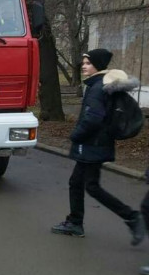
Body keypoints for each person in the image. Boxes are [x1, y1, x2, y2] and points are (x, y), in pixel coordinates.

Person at [51, 48, 146, 245]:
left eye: (88, 63)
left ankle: (132, 217)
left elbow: (93, 119)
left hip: (92, 145)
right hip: (94, 145)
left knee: (92, 187)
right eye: (83, 63)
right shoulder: (99, 84)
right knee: (76, 182)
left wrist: (75, 135)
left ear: (98, 65)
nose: (84, 66)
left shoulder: (96, 88)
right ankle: (75, 223)